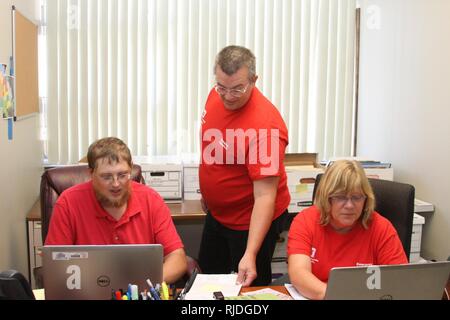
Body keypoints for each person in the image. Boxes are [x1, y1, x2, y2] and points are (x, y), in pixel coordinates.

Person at [198, 45, 291, 286]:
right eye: (222, 87)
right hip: (218, 214)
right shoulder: (215, 94)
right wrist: (210, 191)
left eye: (238, 88)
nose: (228, 96)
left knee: (249, 289)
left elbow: (265, 196)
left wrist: (250, 253)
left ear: (254, 80)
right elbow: (216, 144)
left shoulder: (266, 127)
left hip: (249, 221)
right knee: (207, 283)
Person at [45, 137, 187, 284]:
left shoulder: (151, 200)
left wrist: (145, 286)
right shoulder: (68, 203)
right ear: (91, 173)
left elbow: (177, 257)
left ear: (131, 169)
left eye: (122, 175)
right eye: (106, 177)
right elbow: (56, 265)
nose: (116, 184)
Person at [287, 160, 408, 299]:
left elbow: (399, 282)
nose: (349, 205)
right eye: (341, 197)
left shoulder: (381, 227)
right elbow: (298, 273)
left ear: (366, 199)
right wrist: (335, 296)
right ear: (327, 198)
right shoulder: (305, 220)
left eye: (357, 197)